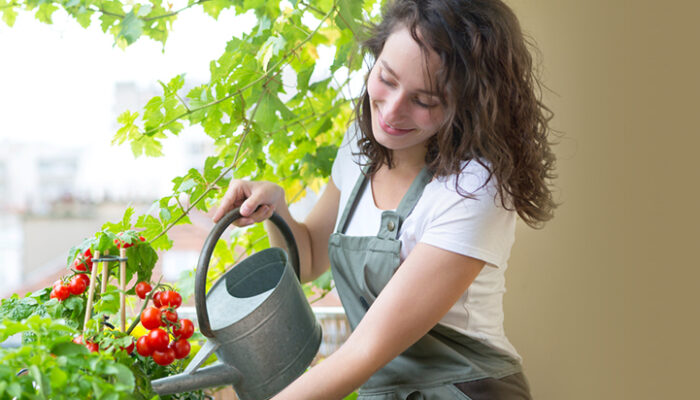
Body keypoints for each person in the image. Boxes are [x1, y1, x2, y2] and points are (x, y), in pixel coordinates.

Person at [213, 0, 556, 398]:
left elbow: (365, 350)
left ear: (466, 103)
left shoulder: (475, 187)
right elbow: (307, 260)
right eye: (387, 79)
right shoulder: (360, 148)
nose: (392, 111)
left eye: (424, 101)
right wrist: (277, 209)